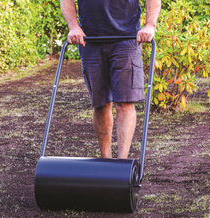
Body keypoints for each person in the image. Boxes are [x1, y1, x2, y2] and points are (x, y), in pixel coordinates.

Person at [60, 0, 161, 159]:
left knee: (125, 103)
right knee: (100, 104)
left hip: (126, 39)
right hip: (90, 41)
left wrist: (150, 25)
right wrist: (73, 26)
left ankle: (121, 163)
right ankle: (105, 162)